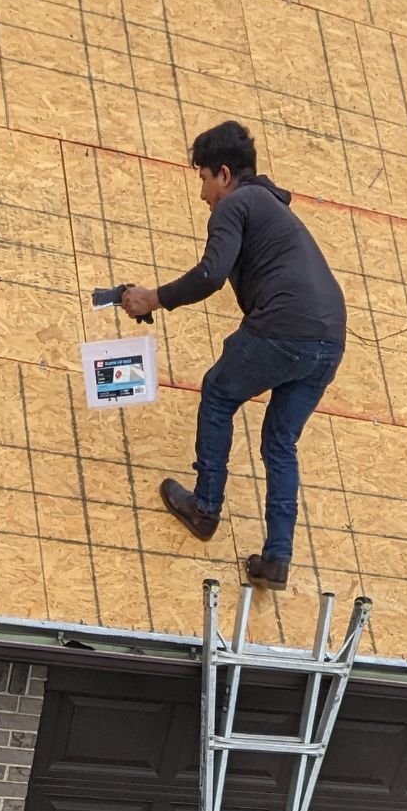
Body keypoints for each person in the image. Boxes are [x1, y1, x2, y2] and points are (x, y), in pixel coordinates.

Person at [117, 121, 346, 590]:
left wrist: (152, 298)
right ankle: (276, 559)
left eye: (203, 178)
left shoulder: (235, 203)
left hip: (284, 325)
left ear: (224, 174)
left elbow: (210, 274)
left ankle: (204, 508)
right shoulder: (270, 207)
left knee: (219, 393)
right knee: (280, 442)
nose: (203, 193)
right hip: (330, 340)